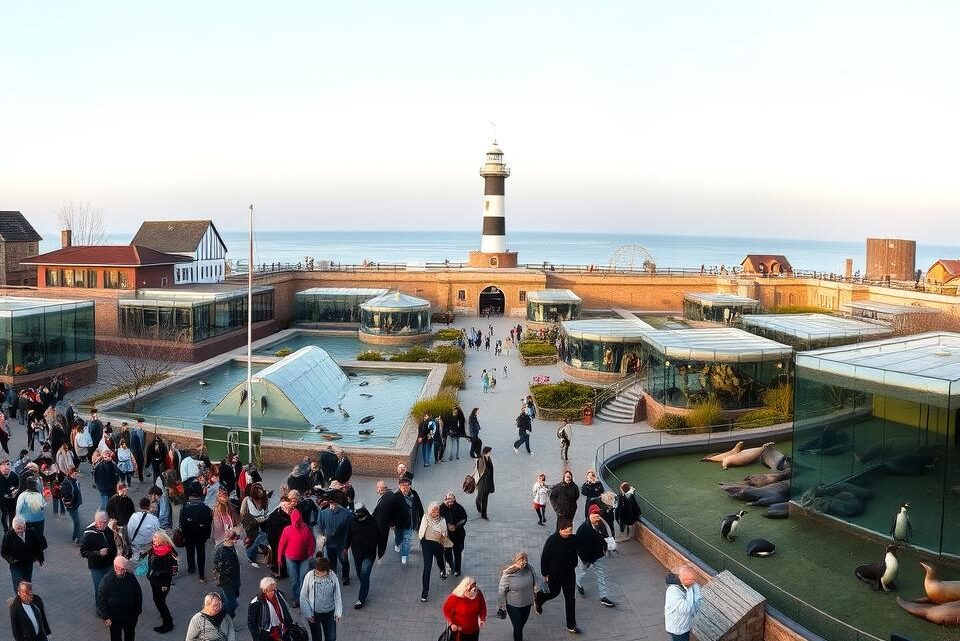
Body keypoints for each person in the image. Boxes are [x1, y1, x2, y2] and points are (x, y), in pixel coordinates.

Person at [534, 518, 580, 634]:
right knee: (553, 593)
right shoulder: (552, 541)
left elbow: (581, 549)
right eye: (566, 531)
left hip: (569, 574)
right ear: (560, 530)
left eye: (570, 531)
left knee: (570, 599)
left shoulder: (573, 539)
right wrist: (545, 574)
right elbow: (544, 558)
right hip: (554, 575)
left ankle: (571, 624)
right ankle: (539, 599)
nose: (569, 533)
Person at [575, 505, 615, 607]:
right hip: (587, 557)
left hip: (598, 555)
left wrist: (606, 548)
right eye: (594, 515)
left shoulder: (601, 525)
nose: (597, 517)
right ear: (589, 516)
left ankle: (603, 597)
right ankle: (578, 582)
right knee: (582, 572)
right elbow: (578, 547)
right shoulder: (582, 530)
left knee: (601, 575)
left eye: (598, 515)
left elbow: (605, 537)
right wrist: (584, 559)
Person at [278, 507, 315, 607]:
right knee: (294, 579)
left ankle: (302, 598)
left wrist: (311, 554)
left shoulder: (305, 529)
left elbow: (311, 542)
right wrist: (279, 558)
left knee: (303, 578)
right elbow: (281, 544)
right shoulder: (287, 530)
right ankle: (296, 598)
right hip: (291, 558)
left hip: (304, 558)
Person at [345, 499, 379, 608]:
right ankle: (365, 586)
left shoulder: (373, 522)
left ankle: (361, 599)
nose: (358, 516)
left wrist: (380, 552)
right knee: (360, 574)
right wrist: (346, 547)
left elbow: (379, 537)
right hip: (357, 553)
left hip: (369, 553)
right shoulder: (352, 521)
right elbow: (348, 535)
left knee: (364, 574)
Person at [300, 555, 342, 641]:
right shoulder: (309, 576)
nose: (318, 574)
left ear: (327, 571)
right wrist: (307, 613)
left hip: (329, 613)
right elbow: (303, 596)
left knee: (331, 637)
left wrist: (338, 612)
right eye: (317, 572)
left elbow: (337, 595)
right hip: (314, 614)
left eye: (321, 573)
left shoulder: (333, 576)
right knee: (317, 638)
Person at [80, 510, 117, 610]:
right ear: (96, 521)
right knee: (99, 588)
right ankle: (100, 608)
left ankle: (108, 605)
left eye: (105, 521)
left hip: (109, 565)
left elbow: (112, 545)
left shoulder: (108, 530)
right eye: (101, 522)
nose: (103, 524)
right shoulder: (89, 534)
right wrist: (98, 553)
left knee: (109, 586)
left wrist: (116, 557)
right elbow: (83, 552)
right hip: (97, 568)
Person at [498, 552, 538, 641]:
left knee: (521, 624)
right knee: (518, 626)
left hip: (527, 602)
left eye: (525, 560)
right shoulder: (508, 574)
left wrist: (536, 593)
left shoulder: (530, 569)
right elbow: (501, 590)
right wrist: (502, 605)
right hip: (513, 605)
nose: (523, 563)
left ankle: (517, 632)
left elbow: (535, 580)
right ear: (515, 561)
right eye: (520, 561)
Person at [417, 501, 451, 602]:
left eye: (437, 510)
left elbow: (444, 532)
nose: (435, 512)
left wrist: (443, 542)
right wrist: (422, 540)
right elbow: (422, 530)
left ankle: (442, 570)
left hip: (438, 544)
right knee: (427, 566)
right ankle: (425, 591)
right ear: (430, 510)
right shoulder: (425, 517)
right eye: (433, 510)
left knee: (440, 559)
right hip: (427, 543)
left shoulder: (442, 520)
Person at [145, 531, 178, 634]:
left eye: (156, 538)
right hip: (154, 579)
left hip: (162, 582)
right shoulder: (154, 549)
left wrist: (165, 584)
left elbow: (170, 570)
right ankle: (164, 614)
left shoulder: (168, 552)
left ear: (162, 540)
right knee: (158, 600)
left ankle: (168, 623)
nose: (153, 540)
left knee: (160, 602)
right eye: (153, 538)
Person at [1, 516, 44, 592]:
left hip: (28, 563)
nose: (21, 530)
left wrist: (40, 558)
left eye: (23, 528)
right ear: (14, 528)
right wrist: (12, 560)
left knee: (27, 584)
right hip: (16, 565)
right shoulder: (8, 536)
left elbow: (37, 545)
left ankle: (27, 600)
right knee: (19, 585)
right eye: (18, 528)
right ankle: (19, 602)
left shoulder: (31, 532)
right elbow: (4, 552)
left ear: (25, 526)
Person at [180, 485, 214, 581]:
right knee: (201, 553)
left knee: (189, 551)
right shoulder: (205, 507)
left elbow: (181, 521)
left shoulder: (185, 506)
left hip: (188, 534)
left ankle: (191, 568)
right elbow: (208, 522)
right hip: (201, 535)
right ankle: (201, 574)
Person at [247, 576, 296, 641]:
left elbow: (286, 610)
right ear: (265, 590)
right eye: (272, 590)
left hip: (283, 630)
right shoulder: (256, 603)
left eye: (275, 589)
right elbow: (252, 623)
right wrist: (257, 638)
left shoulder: (279, 594)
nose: (274, 592)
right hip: (268, 634)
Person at [664, 564, 704, 641]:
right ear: (682, 579)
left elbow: (699, 597)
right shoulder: (673, 591)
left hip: (685, 625)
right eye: (691, 579)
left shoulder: (691, 584)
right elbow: (686, 608)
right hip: (678, 628)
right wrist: (689, 590)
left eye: (694, 579)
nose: (694, 582)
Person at [389, 477, 423, 566]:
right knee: (399, 537)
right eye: (402, 485)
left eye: (407, 485)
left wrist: (421, 518)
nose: (405, 487)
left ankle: (404, 555)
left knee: (407, 540)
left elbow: (419, 506)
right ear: (399, 486)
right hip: (399, 523)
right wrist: (392, 523)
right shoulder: (396, 496)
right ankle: (397, 543)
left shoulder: (414, 494)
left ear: (409, 485)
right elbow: (391, 511)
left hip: (410, 523)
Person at [442, 577, 487, 641]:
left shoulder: (478, 593)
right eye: (471, 594)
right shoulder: (455, 598)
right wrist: (452, 623)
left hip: (474, 630)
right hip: (459, 631)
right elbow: (446, 609)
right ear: (464, 590)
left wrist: (482, 618)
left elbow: (482, 606)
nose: (473, 596)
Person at [315, 497, 350, 576]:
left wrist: (348, 542)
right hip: (330, 543)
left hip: (342, 543)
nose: (333, 504)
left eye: (335, 502)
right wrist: (320, 546)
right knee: (332, 561)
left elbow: (349, 529)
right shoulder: (323, 513)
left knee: (344, 560)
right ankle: (333, 575)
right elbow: (320, 529)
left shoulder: (345, 513)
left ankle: (345, 576)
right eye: (332, 502)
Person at [213, 529, 242, 618]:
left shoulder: (230, 548)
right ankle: (227, 619)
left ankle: (220, 612)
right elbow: (220, 568)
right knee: (232, 604)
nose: (236, 540)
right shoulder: (223, 552)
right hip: (228, 582)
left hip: (234, 581)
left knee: (228, 599)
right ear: (230, 539)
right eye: (235, 538)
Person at [240, 482, 270, 566]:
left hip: (262, 523)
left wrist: (264, 518)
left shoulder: (264, 500)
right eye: (258, 490)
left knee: (265, 537)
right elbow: (243, 516)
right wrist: (256, 521)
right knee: (255, 540)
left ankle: (265, 555)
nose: (260, 492)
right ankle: (250, 555)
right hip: (249, 525)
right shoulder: (247, 500)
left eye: (261, 489)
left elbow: (266, 511)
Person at [440, 492, 467, 577]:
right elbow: (438, 518)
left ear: (454, 500)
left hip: (458, 535)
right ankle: (449, 566)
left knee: (457, 552)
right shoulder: (442, 508)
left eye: (452, 501)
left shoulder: (459, 508)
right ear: (445, 500)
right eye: (448, 501)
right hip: (447, 535)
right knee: (447, 552)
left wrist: (456, 526)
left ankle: (457, 569)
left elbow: (464, 519)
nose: (450, 503)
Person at [60, 466, 83, 543]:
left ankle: (76, 536)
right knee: (77, 522)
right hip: (71, 505)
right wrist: (70, 503)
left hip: (75, 504)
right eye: (75, 473)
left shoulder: (74, 480)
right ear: (71, 474)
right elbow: (65, 495)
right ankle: (76, 537)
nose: (76, 475)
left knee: (76, 521)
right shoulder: (67, 483)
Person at [474, 446, 494, 520]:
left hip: (488, 481)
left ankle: (484, 514)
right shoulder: (481, 460)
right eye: (490, 452)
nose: (490, 453)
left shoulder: (489, 459)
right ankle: (478, 504)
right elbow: (480, 472)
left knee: (485, 499)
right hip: (482, 482)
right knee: (480, 498)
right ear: (486, 452)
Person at [0, 459, 19, 533]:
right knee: (4, 515)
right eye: (3, 467)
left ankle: (11, 529)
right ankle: (5, 529)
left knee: (12, 515)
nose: (6, 469)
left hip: (12, 500)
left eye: (8, 467)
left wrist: (14, 492)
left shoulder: (14, 476)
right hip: (2, 501)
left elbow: (17, 487)